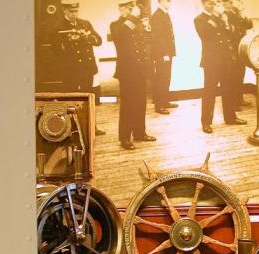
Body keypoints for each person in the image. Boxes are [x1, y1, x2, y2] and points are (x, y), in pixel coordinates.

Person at [194, 0, 247, 134]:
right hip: (212, 62)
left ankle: (230, 117)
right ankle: (206, 122)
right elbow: (205, 34)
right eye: (210, 3)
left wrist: (227, 22)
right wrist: (214, 16)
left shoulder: (222, 18)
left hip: (226, 61)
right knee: (209, 92)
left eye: (215, 3)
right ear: (203, 4)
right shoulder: (199, 19)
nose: (213, 6)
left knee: (228, 89)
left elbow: (232, 36)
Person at [54, 0, 106, 135]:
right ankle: (72, 129)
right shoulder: (58, 27)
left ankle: (91, 127)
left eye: (76, 11)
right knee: (72, 100)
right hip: (71, 70)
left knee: (88, 98)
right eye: (71, 11)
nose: (74, 14)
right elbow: (56, 51)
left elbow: (98, 41)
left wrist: (88, 37)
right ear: (64, 11)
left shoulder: (85, 23)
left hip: (87, 69)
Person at [110, 0, 156, 150]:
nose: (132, 9)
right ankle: (124, 138)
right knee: (128, 105)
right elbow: (121, 36)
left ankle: (139, 132)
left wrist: (147, 28)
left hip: (140, 69)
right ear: (120, 8)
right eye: (128, 7)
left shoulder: (137, 23)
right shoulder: (116, 25)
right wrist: (133, 18)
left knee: (140, 103)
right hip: (127, 71)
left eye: (132, 7)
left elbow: (147, 42)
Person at [223, 0, 252, 111]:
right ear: (226, 4)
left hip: (240, 48)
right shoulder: (225, 15)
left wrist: (243, 15)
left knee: (240, 74)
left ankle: (239, 99)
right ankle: (232, 103)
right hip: (232, 49)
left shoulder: (238, 13)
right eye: (230, 2)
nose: (233, 4)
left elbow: (249, 25)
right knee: (232, 77)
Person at [151, 0, 179, 115]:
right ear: (161, 2)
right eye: (167, 1)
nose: (169, 3)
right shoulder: (157, 16)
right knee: (161, 78)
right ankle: (159, 105)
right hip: (162, 53)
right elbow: (159, 37)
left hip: (167, 52)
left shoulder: (164, 14)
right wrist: (164, 53)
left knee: (166, 77)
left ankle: (164, 100)